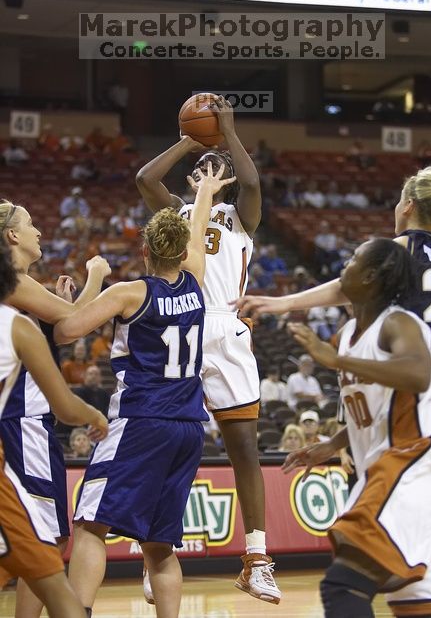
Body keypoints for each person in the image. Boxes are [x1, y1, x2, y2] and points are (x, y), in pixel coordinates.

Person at [53, 164, 235, 618]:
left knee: (91, 525)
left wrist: (94, 277)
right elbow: (196, 242)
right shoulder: (195, 283)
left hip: (141, 420)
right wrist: (206, 193)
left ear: (146, 248)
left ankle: (80, 613)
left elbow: (65, 332)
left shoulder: (130, 293)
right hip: (189, 428)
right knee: (159, 545)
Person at [136, 95, 281, 604]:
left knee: (244, 447)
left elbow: (254, 181)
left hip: (227, 328)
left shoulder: (243, 215)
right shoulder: (178, 214)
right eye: (200, 165)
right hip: (184, 323)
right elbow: (145, 180)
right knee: (171, 444)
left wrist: (229, 133)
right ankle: (156, 559)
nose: (208, 166)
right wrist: (190, 141)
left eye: (214, 162)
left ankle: (257, 559)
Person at [283, 238, 431, 618]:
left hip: (415, 465)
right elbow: (374, 406)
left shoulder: (398, 323)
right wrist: (333, 442)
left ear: (371, 277)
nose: (344, 265)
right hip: (408, 474)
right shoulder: (348, 333)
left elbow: (417, 374)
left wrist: (333, 361)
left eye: (353, 259)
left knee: (344, 585)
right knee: (425, 611)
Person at [235, 167, 431, 453]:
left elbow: (348, 286)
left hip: (422, 386)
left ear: (408, 206)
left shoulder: (403, 248)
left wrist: (283, 303)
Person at [0, 198, 111, 618]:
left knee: (38, 539)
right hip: (22, 423)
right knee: (41, 539)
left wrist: (58, 311)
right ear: (12, 236)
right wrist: (96, 277)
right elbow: (78, 321)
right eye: (30, 224)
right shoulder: (12, 280)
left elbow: (63, 330)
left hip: (22, 421)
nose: (39, 231)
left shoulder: (21, 287)